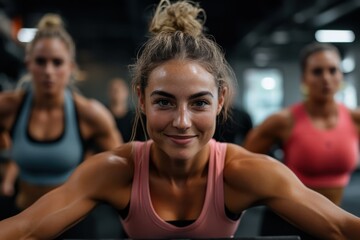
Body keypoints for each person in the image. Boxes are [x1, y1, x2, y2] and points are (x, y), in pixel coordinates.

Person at [1, 1, 360, 239]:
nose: (183, 121)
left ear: (220, 100)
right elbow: (26, 230)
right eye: (164, 102)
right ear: (141, 99)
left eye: (199, 103)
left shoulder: (243, 171)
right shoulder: (115, 170)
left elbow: (342, 227)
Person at [0, 13, 122, 237]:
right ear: (28, 64)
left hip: (71, 226)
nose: (48, 71)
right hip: (20, 216)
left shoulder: (90, 114)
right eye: (40, 62)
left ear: (71, 67)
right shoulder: (9, 107)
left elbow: (122, 171)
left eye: (57, 62)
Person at [243, 42, 360, 239]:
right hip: (288, 222)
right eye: (317, 71)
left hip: (335, 218)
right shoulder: (282, 121)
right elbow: (243, 165)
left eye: (333, 70)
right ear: (304, 78)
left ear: (341, 75)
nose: (326, 78)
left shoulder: (355, 119)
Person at [107, 77, 146, 142]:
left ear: (126, 93)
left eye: (119, 90)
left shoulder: (136, 117)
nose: (117, 93)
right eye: (113, 90)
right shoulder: (103, 114)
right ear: (109, 93)